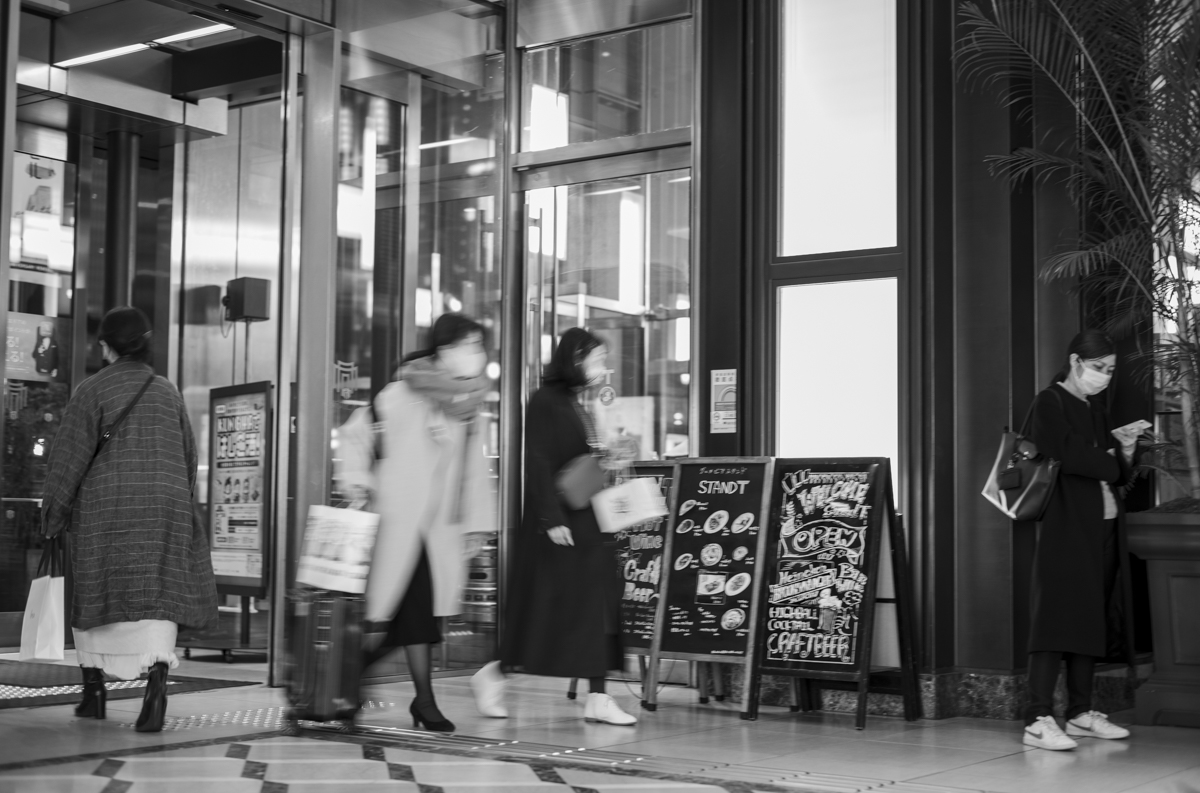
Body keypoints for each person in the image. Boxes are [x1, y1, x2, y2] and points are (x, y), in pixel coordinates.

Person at [41, 307, 218, 732]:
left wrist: (53, 515)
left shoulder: (92, 389)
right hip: (165, 508)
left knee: (97, 594)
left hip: (105, 510)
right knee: (158, 599)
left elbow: (69, 460)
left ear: (106, 347)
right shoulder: (167, 391)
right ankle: (156, 684)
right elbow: (189, 459)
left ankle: (93, 691)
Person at [336, 313, 495, 732]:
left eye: (478, 345)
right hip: (396, 522)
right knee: (412, 615)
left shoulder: (468, 407)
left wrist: (475, 525)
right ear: (443, 349)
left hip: (437, 528)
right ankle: (415, 700)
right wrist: (357, 482)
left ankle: (354, 685)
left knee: (412, 616)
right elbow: (356, 434)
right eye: (467, 344)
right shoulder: (401, 393)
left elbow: (474, 472)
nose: (474, 354)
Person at [496, 327, 637, 726]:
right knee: (561, 612)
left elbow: (576, 460)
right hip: (564, 523)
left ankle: (598, 694)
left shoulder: (577, 402)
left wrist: (609, 457)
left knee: (595, 609)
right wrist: (550, 519)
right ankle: (496, 672)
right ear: (574, 358)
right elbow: (538, 461)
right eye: (596, 359)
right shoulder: (546, 401)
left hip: (587, 520)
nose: (602, 367)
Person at [1022, 329, 1140, 751]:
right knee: (1054, 616)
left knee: (1088, 616)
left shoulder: (1096, 408)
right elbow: (1066, 454)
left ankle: (1078, 712)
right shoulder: (1048, 402)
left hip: (1101, 523)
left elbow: (1119, 473)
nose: (1104, 376)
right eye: (1098, 368)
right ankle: (1036, 717)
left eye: (1109, 370)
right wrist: (1106, 463)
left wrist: (1124, 451)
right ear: (1075, 362)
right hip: (1063, 523)